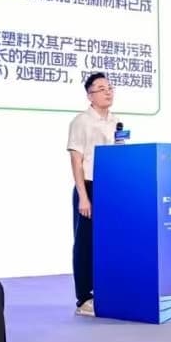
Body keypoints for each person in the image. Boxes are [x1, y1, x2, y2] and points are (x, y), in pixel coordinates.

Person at [65, 72, 119, 317]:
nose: (108, 91)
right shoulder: (82, 121)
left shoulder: (116, 121)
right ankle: (84, 298)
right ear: (90, 95)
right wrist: (83, 196)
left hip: (110, 188)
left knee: (107, 242)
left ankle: (104, 290)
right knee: (85, 244)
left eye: (110, 87)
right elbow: (76, 160)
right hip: (88, 186)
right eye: (101, 88)